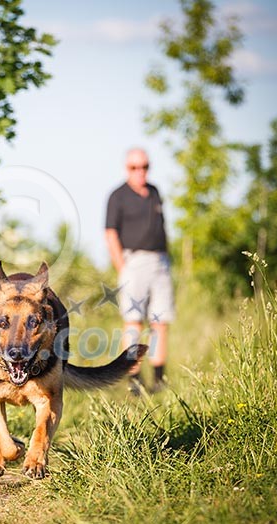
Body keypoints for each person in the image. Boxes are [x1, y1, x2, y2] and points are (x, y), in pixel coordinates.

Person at [105, 147, 174, 395]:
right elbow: (110, 233)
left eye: (144, 166)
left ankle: (159, 380)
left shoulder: (154, 192)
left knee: (160, 321)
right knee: (133, 321)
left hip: (160, 262)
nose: (140, 171)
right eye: (135, 167)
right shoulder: (118, 196)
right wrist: (123, 268)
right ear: (127, 168)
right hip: (134, 262)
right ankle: (134, 380)